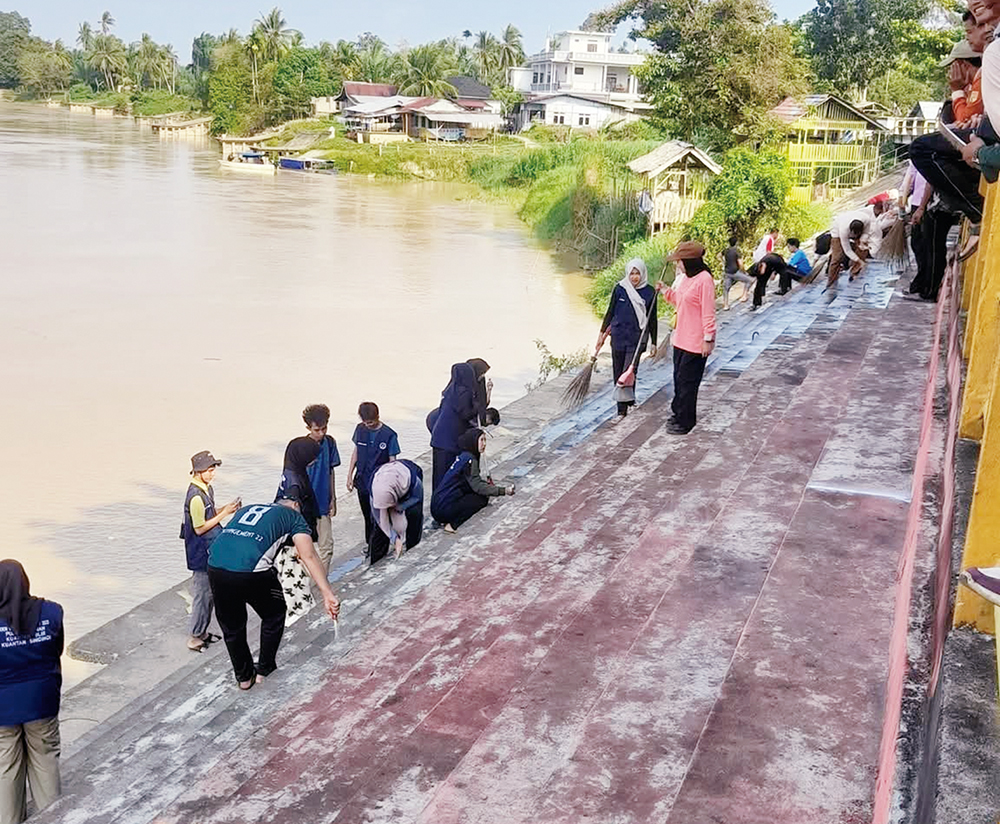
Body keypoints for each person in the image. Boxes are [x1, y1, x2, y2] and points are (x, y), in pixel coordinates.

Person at [207, 490, 340, 690]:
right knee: (274, 613)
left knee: (232, 626)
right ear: (296, 505)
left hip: (215, 564)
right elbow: (309, 555)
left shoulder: (250, 508)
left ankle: (243, 678)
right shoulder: (294, 517)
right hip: (251, 569)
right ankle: (264, 670)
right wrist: (327, 593)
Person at [0, 560, 63, 824]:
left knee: (6, 767)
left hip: (3, 708)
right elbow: (55, 650)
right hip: (42, 701)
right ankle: (54, 818)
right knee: (45, 760)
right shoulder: (51, 612)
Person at [655, 241, 717, 435]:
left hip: (696, 342)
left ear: (689, 261)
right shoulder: (685, 279)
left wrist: (708, 338)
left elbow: (708, 312)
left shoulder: (704, 280)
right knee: (678, 380)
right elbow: (680, 301)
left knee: (688, 383)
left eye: (680, 261)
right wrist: (665, 290)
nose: (678, 265)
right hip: (680, 338)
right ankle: (677, 413)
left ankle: (686, 421)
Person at [180, 450, 238, 652]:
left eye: (213, 469)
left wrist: (225, 509)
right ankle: (195, 637)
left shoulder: (206, 489)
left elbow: (209, 513)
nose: (213, 473)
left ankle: (202, 632)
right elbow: (200, 527)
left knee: (210, 594)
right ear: (198, 471)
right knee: (202, 595)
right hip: (201, 552)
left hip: (210, 548)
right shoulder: (195, 496)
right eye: (209, 469)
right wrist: (224, 514)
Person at [595, 257, 658, 418]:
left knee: (629, 372)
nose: (634, 277)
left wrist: (654, 343)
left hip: (637, 339)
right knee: (618, 372)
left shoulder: (650, 292)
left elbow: (652, 319)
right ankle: (627, 401)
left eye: (637, 273)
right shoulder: (620, 289)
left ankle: (621, 411)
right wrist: (602, 334)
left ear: (643, 274)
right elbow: (610, 312)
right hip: (618, 336)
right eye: (632, 273)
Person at [431, 428, 514, 531]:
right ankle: (453, 525)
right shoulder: (470, 460)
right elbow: (477, 486)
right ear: (473, 441)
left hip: (436, 505)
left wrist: (487, 487)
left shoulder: (463, 456)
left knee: (479, 493)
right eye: (481, 440)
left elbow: (473, 483)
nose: (484, 444)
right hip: (443, 509)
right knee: (481, 499)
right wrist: (503, 491)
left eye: (485, 440)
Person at [346, 402, 400, 558]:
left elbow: (392, 461)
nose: (368, 425)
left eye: (371, 422)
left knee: (379, 515)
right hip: (362, 480)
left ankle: (379, 548)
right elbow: (356, 451)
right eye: (365, 422)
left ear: (377, 417)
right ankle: (370, 544)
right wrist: (350, 474)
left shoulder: (389, 435)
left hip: (379, 484)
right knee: (367, 515)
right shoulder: (360, 430)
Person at [429, 361, 490, 489]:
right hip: (448, 441)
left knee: (439, 475)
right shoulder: (463, 392)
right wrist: (477, 406)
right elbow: (466, 414)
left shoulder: (451, 390)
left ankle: (438, 501)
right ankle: (444, 502)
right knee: (447, 476)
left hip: (440, 438)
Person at [298, 404, 341, 573]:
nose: (321, 433)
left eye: (324, 428)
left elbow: (331, 470)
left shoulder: (329, 443)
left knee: (327, 546)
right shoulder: (300, 447)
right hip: (305, 504)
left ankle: (319, 583)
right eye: (317, 430)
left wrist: (333, 498)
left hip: (323, 502)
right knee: (303, 549)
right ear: (308, 428)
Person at [370, 459, 424, 561]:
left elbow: (417, 497)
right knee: (379, 529)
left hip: (405, 487)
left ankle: (412, 550)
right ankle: (376, 559)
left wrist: (400, 507)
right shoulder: (374, 491)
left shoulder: (412, 481)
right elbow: (379, 519)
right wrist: (394, 538)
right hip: (388, 489)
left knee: (414, 514)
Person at [275, 438, 321, 540]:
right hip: (295, 539)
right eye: (312, 457)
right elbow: (293, 518)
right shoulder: (294, 484)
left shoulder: (291, 470)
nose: (315, 460)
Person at [827, 209, 873, 286]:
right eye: (853, 234)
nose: (854, 237)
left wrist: (862, 241)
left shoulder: (867, 219)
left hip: (856, 226)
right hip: (837, 233)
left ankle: (854, 273)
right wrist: (859, 261)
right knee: (837, 257)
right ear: (851, 231)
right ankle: (831, 281)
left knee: (863, 249)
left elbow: (866, 233)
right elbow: (847, 250)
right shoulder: (843, 229)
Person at [721, 237, 753, 310]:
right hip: (735, 272)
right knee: (749, 281)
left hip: (727, 272)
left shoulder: (726, 250)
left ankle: (725, 305)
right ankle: (744, 296)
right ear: (736, 243)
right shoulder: (736, 251)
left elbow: (718, 255)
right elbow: (740, 264)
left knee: (726, 288)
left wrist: (723, 262)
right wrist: (744, 272)